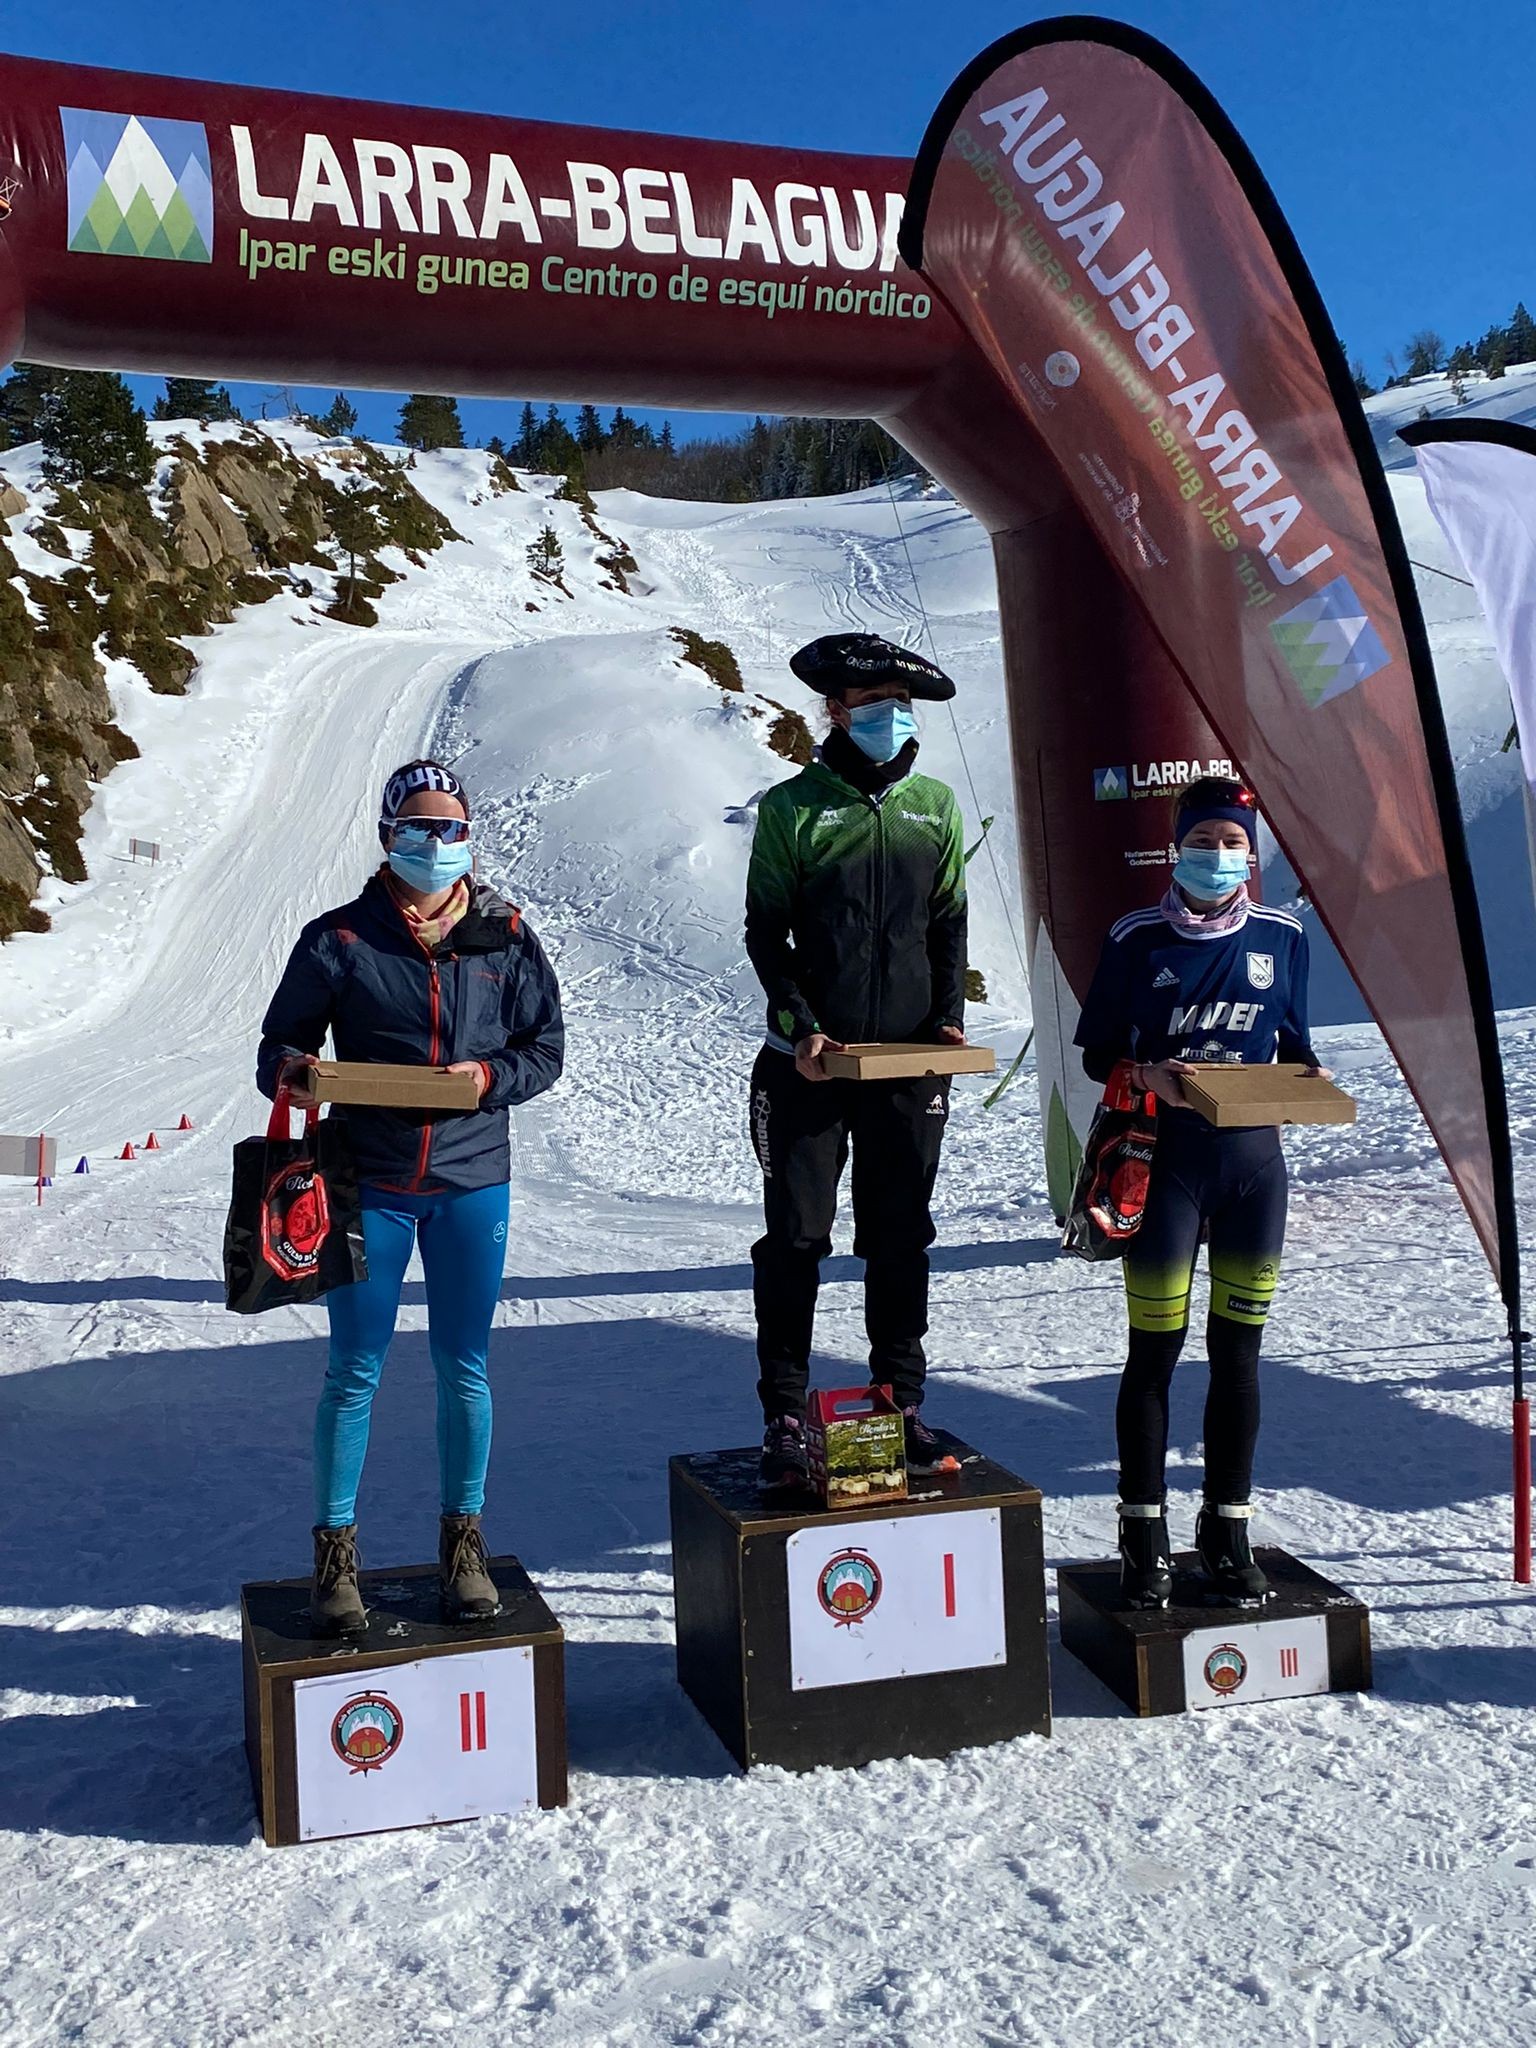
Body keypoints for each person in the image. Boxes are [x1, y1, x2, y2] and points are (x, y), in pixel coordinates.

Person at [257, 758, 563, 1635]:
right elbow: (276, 1049)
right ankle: (335, 1557)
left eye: (452, 828)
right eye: (420, 827)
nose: (437, 843)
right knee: (354, 1370)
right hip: (369, 1184)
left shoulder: (505, 935)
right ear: (389, 833)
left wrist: (487, 1078)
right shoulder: (340, 939)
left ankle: (463, 1546)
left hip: (471, 1181)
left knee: (463, 1366)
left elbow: (545, 1048)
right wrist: (299, 1075)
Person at [1073, 774, 1326, 1608]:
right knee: (1155, 1351)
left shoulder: (1284, 934)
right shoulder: (1137, 935)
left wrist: (1308, 1077)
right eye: (1204, 842)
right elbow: (1094, 1055)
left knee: (1240, 1355)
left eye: (1233, 846)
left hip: (1254, 1167)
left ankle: (1227, 1527)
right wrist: (1146, 1074)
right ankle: (1142, 1532)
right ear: (1176, 847)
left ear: (1252, 857)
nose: (1218, 858)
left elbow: (1294, 1043)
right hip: (1166, 1165)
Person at [744, 632, 969, 1489]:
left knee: (901, 1235)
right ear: (834, 711)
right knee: (798, 1238)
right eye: (871, 703)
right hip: (808, 1064)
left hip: (908, 1064)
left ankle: (898, 1402)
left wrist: (947, 1020)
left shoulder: (935, 806)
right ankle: (784, 1414)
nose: (890, 717)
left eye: (898, 703)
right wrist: (800, 1025)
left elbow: (948, 921)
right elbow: (766, 930)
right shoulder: (794, 808)